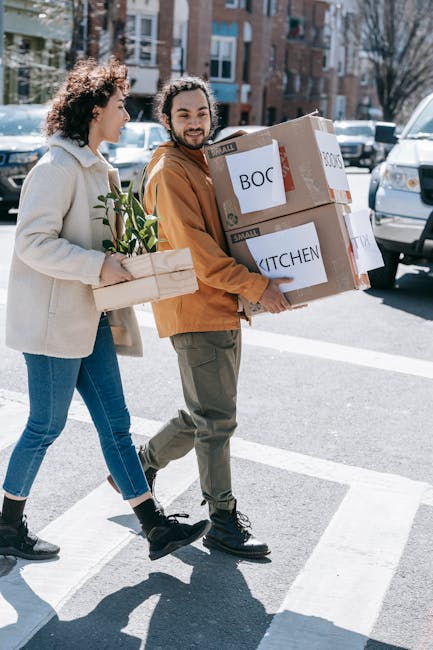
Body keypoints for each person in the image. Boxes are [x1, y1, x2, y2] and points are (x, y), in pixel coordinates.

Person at [0, 59, 210, 563]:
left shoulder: (100, 169)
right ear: (95, 112)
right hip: (53, 322)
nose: (126, 116)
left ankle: (154, 525)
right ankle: (7, 525)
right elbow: (32, 243)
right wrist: (99, 265)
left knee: (116, 426)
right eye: (120, 107)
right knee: (45, 426)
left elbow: (102, 244)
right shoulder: (56, 168)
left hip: (90, 318)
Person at [109, 77, 294, 558]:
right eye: (183, 115)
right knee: (216, 420)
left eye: (201, 113)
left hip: (216, 307)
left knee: (204, 411)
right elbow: (199, 256)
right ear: (166, 120)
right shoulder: (171, 172)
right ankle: (223, 520)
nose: (194, 122)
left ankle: (138, 466)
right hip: (197, 309)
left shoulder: (203, 164)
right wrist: (259, 288)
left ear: (211, 116)